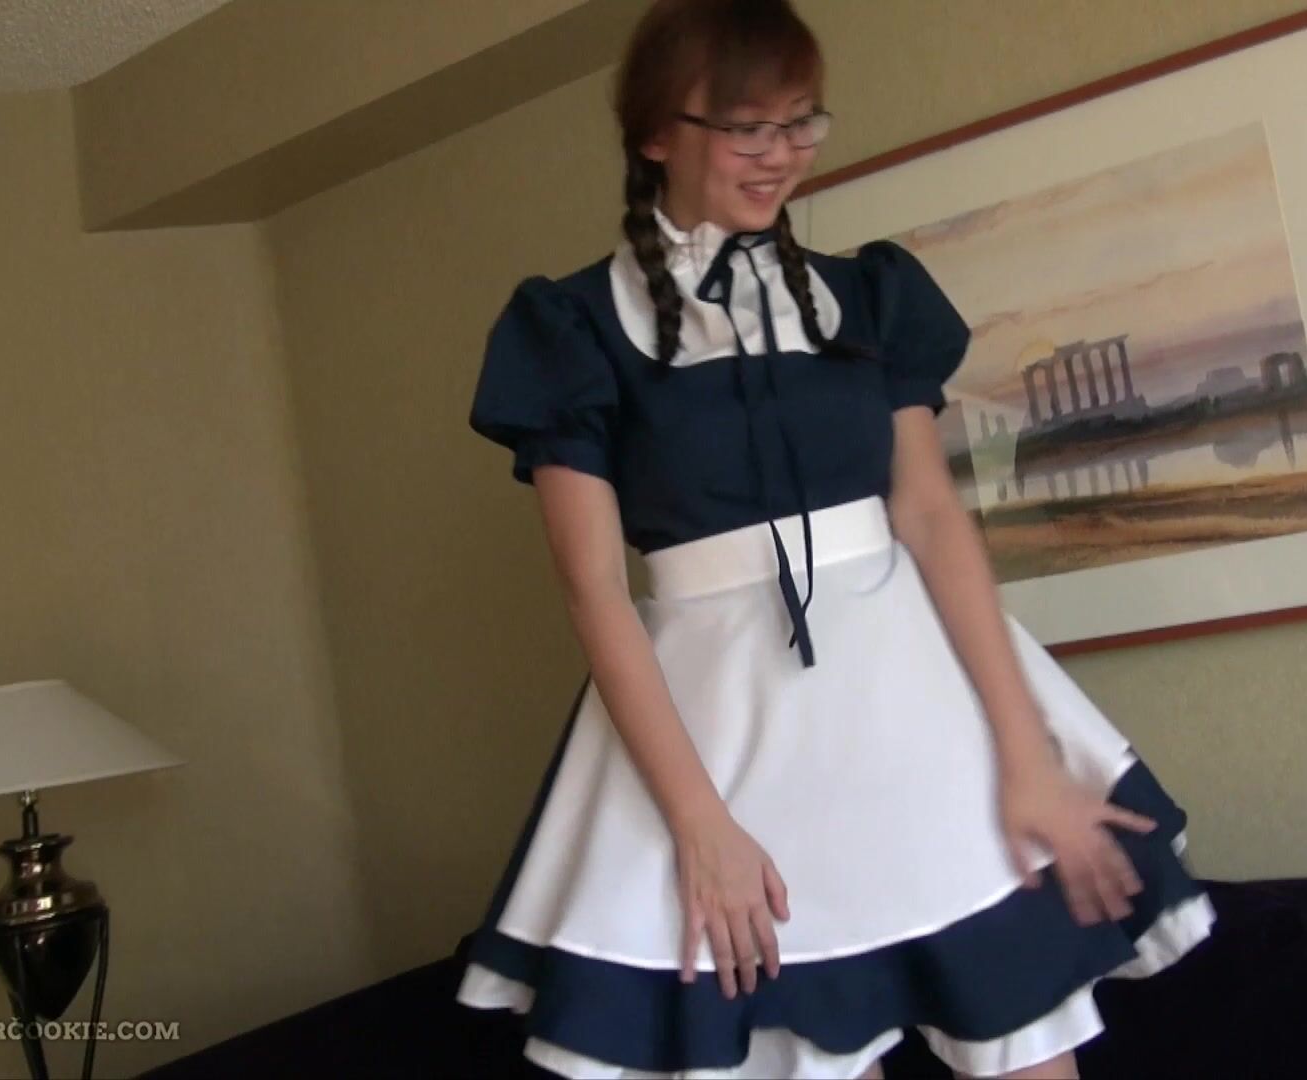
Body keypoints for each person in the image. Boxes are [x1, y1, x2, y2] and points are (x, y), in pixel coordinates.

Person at [457, 1, 1212, 1076]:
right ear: (657, 133)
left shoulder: (867, 296)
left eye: (801, 122)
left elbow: (932, 517)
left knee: (1029, 1046)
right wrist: (700, 826)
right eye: (747, 127)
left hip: (919, 711)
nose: (781, 155)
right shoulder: (572, 327)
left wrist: (1027, 754)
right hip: (719, 736)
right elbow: (594, 591)